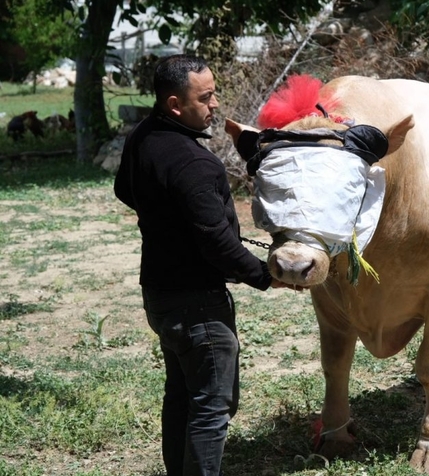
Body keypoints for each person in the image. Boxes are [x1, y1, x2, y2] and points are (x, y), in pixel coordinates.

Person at [114, 54, 283, 475]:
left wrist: (165, 221)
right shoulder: (194, 162)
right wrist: (264, 275)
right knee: (212, 406)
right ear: (175, 105)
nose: (215, 105)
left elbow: (123, 188)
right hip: (198, 307)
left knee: (182, 396)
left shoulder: (143, 135)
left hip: (160, 295)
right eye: (205, 97)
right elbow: (216, 242)